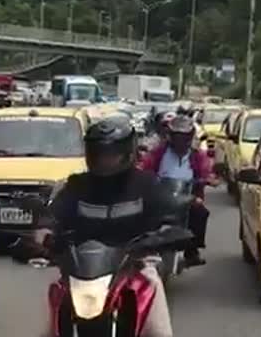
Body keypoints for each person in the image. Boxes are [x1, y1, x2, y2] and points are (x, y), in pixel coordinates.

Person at [34, 118, 174, 337]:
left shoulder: (146, 184)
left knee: (159, 325)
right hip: (81, 268)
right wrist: (43, 232)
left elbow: (167, 214)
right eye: (99, 154)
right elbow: (55, 213)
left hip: (134, 265)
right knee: (52, 322)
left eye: (111, 154)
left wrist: (166, 232)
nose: (104, 160)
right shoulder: (77, 185)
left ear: (128, 153)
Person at [137, 115, 220, 266]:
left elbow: (207, 172)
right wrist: (140, 173)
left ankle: (192, 251)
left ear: (190, 137)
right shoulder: (159, 153)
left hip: (188, 197)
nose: (181, 141)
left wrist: (209, 179)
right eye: (177, 137)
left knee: (200, 212)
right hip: (160, 195)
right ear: (170, 136)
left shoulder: (197, 156)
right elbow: (145, 165)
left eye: (184, 137)